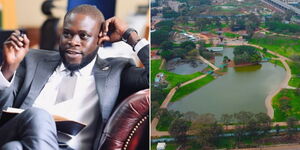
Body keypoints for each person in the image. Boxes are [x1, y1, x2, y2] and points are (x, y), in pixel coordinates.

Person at [0, 4, 149, 150]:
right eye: (67, 34)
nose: (73, 42)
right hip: (22, 133)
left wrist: (131, 36)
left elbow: (163, 79)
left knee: (13, 148)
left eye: (83, 36)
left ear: (100, 39)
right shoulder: (31, 59)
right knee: (38, 116)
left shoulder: (117, 71)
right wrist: (7, 69)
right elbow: (3, 114)